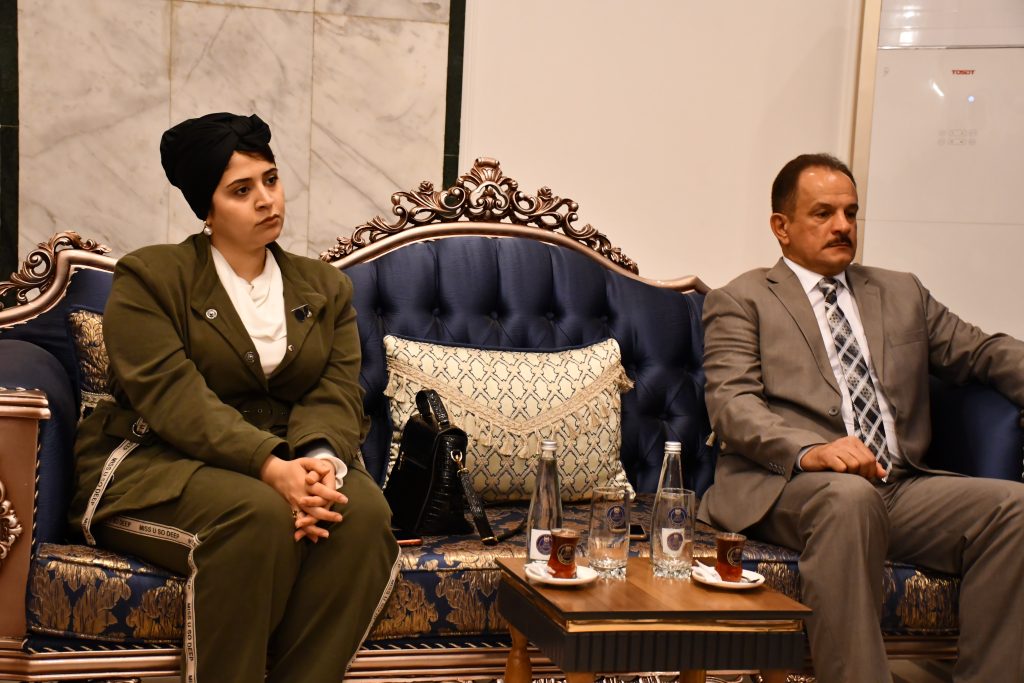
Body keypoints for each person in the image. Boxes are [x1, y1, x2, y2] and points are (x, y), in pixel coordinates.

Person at [68, 112, 399, 683]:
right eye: (241, 191)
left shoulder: (326, 288)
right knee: (257, 515)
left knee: (363, 515)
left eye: (271, 179)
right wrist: (271, 468)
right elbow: (173, 396)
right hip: (161, 460)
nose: (266, 200)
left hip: (291, 459)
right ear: (208, 208)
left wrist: (319, 461)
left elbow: (335, 389)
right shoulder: (150, 278)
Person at [698, 153, 1024, 683]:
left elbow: (981, 352)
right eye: (823, 213)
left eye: (850, 213)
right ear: (781, 226)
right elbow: (733, 406)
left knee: (1014, 510)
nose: (843, 225)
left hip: (897, 485)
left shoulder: (901, 292)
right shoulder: (741, 300)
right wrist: (810, 450)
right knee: (849, 499)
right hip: (789, 485)